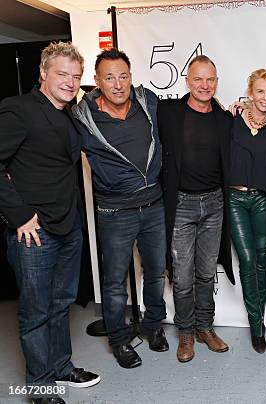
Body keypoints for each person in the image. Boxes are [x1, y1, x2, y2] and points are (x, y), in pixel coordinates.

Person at [0, 42, 100, 402]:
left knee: (61, 304)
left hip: (68, 225)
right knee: (36, 312)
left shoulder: (69, 114)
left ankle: (61, 367)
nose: (71, 82)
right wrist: (20, 215)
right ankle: (40, 385)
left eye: (76, 76)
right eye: (62, 74)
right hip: (35, 232)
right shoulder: (19, 109)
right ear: (42, 74)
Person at [73, 48, 168, 369]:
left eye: (123, 76)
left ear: (131, 77)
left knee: (155, 273)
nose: (118, 84)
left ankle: (154, 327)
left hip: (153, 205)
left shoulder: (148, 102)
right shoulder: (82, 118)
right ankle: (120, 340)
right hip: (114, 213)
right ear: (97, 81)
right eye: (109, 77)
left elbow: (184, 115)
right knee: (114, 282)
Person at [157, 55, 235, 363]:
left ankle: (205, 327)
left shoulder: (224, 118)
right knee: (183, 276)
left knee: (205, 273)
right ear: (187, 80)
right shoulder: (169, 112)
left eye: (210, 79)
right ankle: (185, 333)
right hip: (181, 206)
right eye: (199, 79)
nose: (205, 85)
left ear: (216, 82)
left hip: (215, 204)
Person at [229, 69, 266, 353]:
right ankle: (256, 325)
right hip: (235, 199)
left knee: (262, 260)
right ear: (250, 93)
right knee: (248, 260)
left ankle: (259, 318)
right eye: (260, 91)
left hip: (263, 199)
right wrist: (234, 111)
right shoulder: (232, 119)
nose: (265, 97)